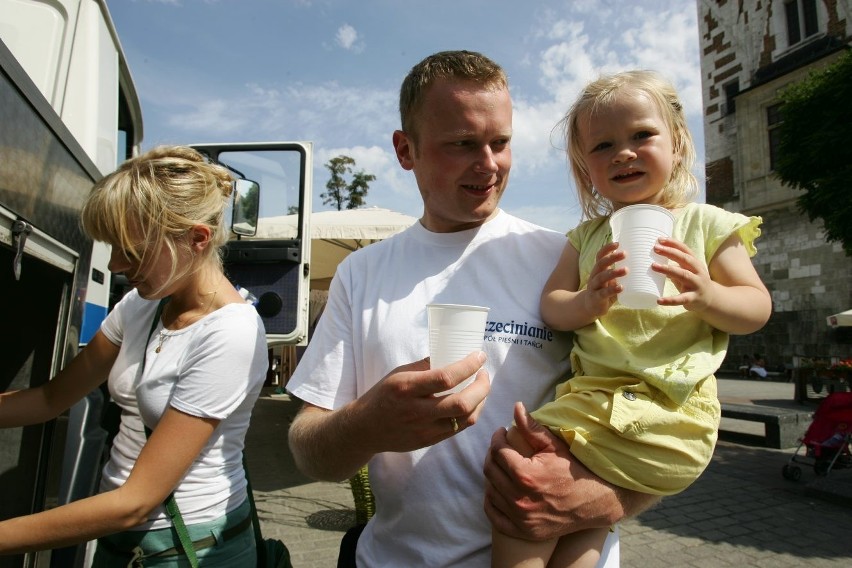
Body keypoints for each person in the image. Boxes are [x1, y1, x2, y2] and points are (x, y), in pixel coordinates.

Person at [286, 50, 656, 568]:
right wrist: (369, 423)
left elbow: (664, 408)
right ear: (405, 149)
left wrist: (606, 499)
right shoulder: (361, 272)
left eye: (500, 142)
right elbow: (308, 448)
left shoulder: (569, 263)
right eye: (461, 144)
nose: (488, 165)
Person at [490, 70, 772, 568]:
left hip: (672, 416)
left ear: (679, 144)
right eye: (602, 146)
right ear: (585, 170)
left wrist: (706, 295)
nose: (623, 152)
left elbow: (756, 307)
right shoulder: (585, 238)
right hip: (596, 404)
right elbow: (552, 303)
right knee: (576, 515)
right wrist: (587, 302)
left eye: (642, 135)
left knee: (522, 467)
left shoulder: (704, 224)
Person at [0, 146, 268, 566]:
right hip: (120, 536)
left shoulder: (230, 332)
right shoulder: (140, 305)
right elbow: (51, 399)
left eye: (132, 250)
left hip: (186, 548)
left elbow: (137, 501)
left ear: (197, 239)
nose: (116, 264)